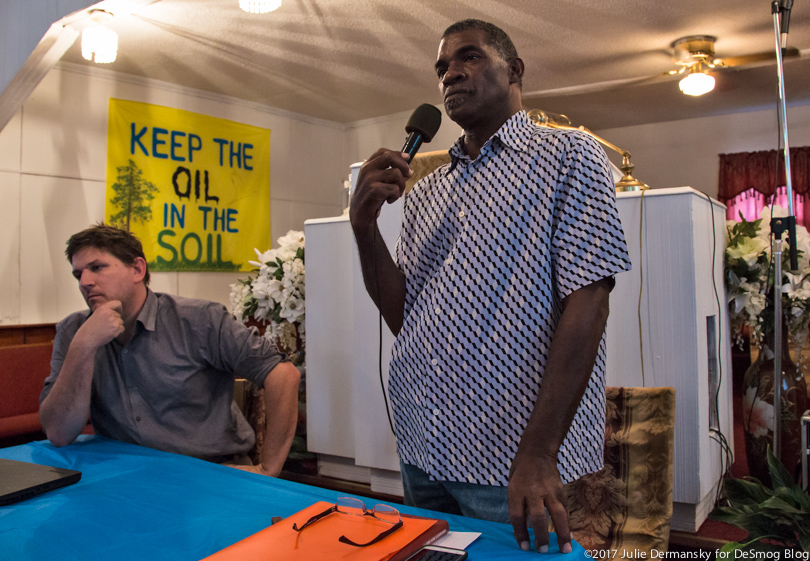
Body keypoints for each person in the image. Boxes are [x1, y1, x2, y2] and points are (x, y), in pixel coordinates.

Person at [349, 19, 631, 554]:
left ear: (515, 70)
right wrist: (364, 230)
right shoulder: (426, 192)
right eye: (441, 68)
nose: (451, 73)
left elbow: (589, 306)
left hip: (510, 457)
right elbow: (404, 316)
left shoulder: (569, 158)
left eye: (470, 57)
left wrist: (541, 452)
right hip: (421, 442)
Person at [39, 224, 301, 477]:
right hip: (124, 476)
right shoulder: (74, 331)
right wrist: (83, 347)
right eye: (78, 274)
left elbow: (283, 374)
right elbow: (59, 434)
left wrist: (269, 468)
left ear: (137, 269)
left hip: (208, 473)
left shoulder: (200, 319)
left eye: (97, 267)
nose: (85, 282)